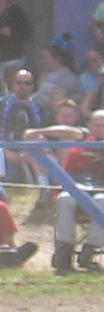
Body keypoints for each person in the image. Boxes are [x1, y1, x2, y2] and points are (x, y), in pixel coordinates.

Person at [49, 110, 104, 272]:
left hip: (101, 191)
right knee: (65, 198)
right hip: (79, 190)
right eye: (96, 125)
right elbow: (65, 175)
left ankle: (90, 250)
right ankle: (63, 252)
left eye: (103, 126)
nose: (100, 129)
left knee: (102, 201)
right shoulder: (78, 149)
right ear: (90, 126)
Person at [0, 68, 44, 185]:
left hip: (32, 155)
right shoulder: (0, 105)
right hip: (5, 154)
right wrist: (7, 153)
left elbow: (41, 135)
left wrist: (29, 154)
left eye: (27, 83)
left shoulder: (39, 108)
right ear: (13, 84)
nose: (23, 86)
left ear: (32, 86)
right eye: (19, 82)